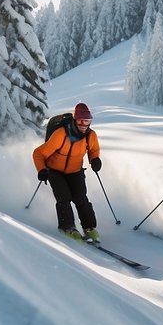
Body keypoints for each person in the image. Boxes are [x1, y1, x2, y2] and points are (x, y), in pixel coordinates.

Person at [33, 102, 103, 242]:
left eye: (87, 121)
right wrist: (42, 170)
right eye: (81, 121)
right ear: (75, 120)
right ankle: (67, 227)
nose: (84, 124)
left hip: (75, 171)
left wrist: (94, 159)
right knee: (64, 198)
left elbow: (94, 149)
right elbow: (38, 153)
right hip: (55, 171)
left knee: (81, 198)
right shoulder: (61, 134)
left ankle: (89, 228)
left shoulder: (91, 136)